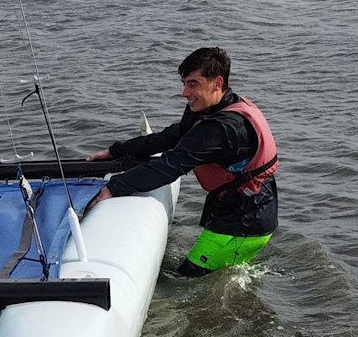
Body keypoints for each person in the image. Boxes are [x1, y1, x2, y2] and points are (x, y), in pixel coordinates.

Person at [86, 46, 278, 276]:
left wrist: (112, 187)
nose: (184, 92)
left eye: (193, 84)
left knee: (184, 283)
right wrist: (118, 150)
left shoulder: (222, 128)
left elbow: (170, 167)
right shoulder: (214, 107)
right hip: (247, 210)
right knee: (219, 276)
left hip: (243, 224)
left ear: (217, 83)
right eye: (185, 83)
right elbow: (173, 135)